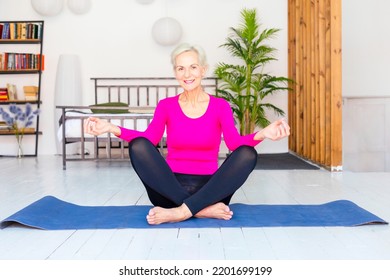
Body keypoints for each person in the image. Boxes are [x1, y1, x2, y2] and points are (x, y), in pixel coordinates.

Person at [84, 43, 290, 225]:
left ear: (203, 70)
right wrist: (111, 128)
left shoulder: (220, 106)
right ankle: (200, 210)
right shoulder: (166, 106)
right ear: (175, 73)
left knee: (247, 153)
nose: (187, 74)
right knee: (138, 145)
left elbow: (235, 144)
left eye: (193, 67)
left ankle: (180, 212)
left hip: (211, 191)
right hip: (168, 190)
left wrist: (263, 133)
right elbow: (149, 140)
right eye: (181, 68)